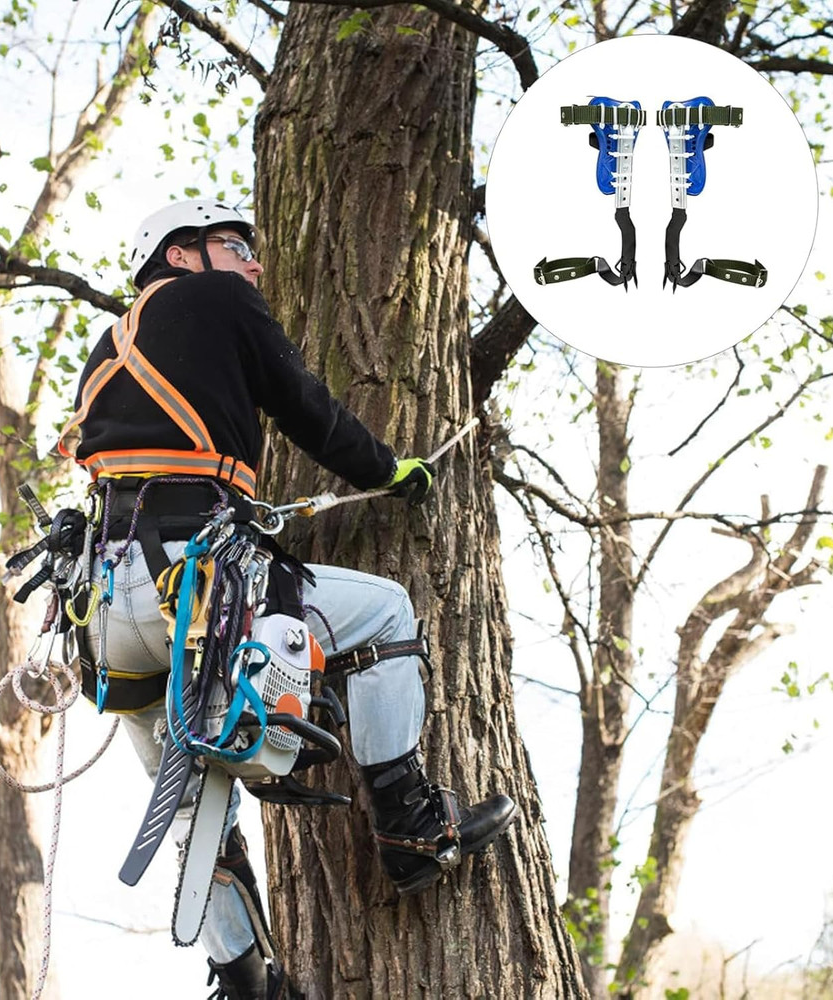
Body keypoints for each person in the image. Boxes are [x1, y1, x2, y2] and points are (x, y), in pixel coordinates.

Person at [59, 199, 518, 999]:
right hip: (194, 583)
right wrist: (388, 471)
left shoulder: (108, 350)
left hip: (104, 610)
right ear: (181, 254)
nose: (255, 264)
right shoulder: (217, 298)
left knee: (196, 806)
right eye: (237, 245)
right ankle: (412, 825)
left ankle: (243, 979)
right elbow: (303, 401)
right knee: (384, 613)